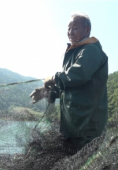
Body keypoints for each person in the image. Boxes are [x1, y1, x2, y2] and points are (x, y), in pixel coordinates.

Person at [30, 12, 108, 151]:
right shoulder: (75, 52)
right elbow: (69, 88)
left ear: (87, 30)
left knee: (87, 162)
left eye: (75, 28)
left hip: (87, 126)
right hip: (72, 126)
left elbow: (77, 75)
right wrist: (48, 92)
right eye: (68, 28)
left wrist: (54, 78)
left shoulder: (91, 50)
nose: (70, 32)